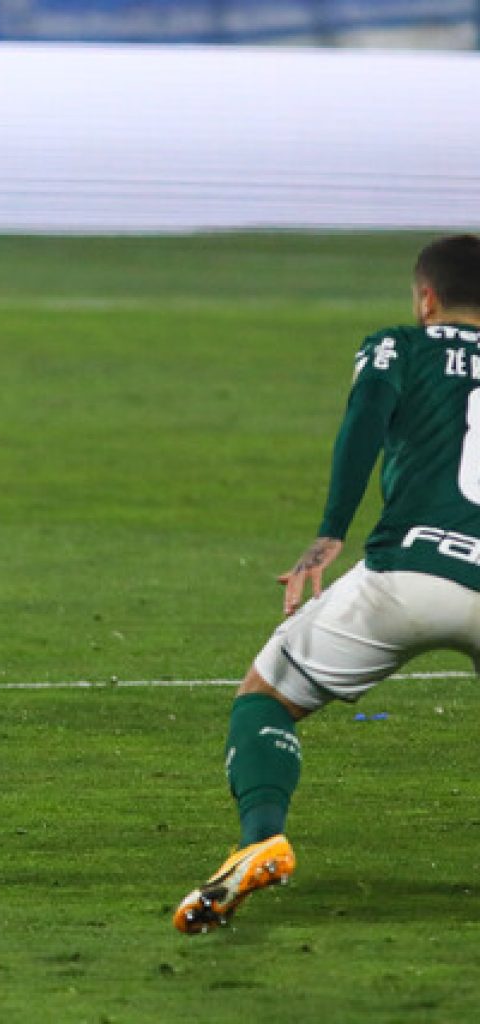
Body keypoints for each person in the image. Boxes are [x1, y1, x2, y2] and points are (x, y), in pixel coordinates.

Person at [174, 233, 480, 932]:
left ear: (425, 299)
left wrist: (330, 533)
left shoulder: (402, 346)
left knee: (265, 699)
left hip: (411, 572)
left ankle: (261, 838)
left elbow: (366, 416)